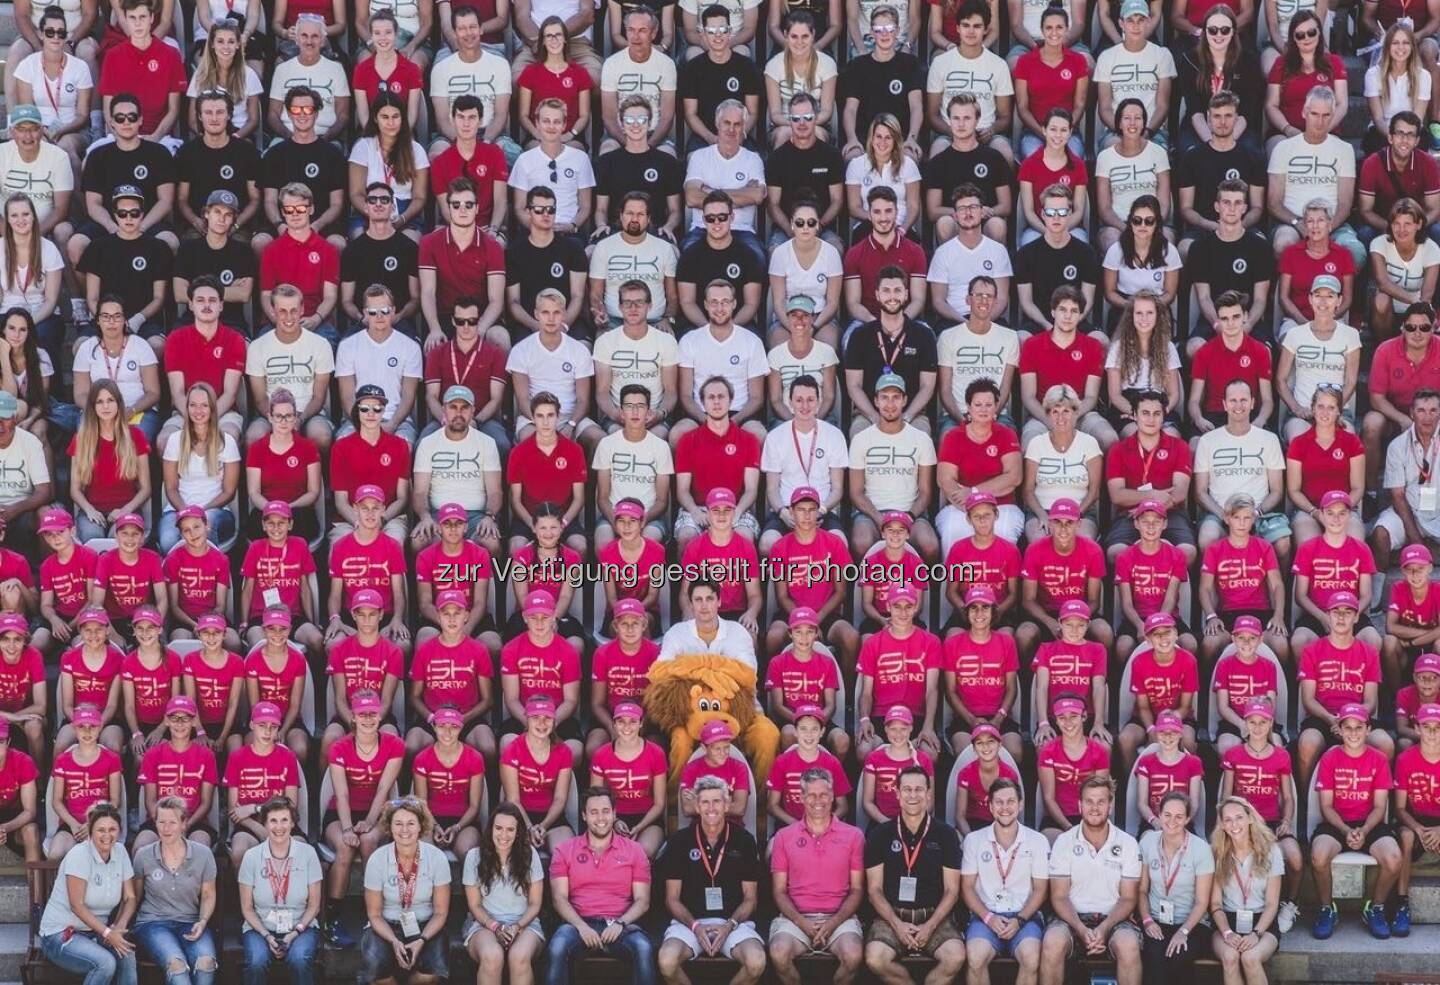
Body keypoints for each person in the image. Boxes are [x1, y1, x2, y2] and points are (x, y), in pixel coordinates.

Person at [656, 775, 766, 985]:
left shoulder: (744, 840)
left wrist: (729, 926)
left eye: (717, 801)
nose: (711, 807)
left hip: (733, 922)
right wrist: (695, 926)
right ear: (696, 806)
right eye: (705, 802)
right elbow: (672, 899)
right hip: (689, 922)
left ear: (727, 805)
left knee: (756, 961)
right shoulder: (680, 841)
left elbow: (750, 899)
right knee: (667, 961)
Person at [861, 766, 964, 985]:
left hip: (934, 917)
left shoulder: (946, 835)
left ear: (928, 794)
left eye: (919, 789)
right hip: (891, 917)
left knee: (955, 957)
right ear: (897, 793)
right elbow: (874, 890)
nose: (913, 795)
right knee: (875, 958)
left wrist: (930, 925)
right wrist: (897, 924)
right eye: (907, 789)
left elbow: (952, 890)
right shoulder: (879, 835)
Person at [1309, 704, 1404, 939]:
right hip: (1336, 822)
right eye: (1347, 727)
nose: (1353, 733)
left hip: (1369, 822)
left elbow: (1380, 806)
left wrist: (1363, 829)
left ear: (1368, 730)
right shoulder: (1329, 758)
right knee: (1318, 855)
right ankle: (1327, 908)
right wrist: (1345, 829)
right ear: (1339, 730)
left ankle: (1375, 907)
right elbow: (1326, 806)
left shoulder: (1379, 759)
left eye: (1358, 727)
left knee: (1393, 858)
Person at [546, 786, 654, 985]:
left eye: (605, 811)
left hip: (622, 924)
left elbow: (642, 901)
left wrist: (620, 924)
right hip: (577, 923)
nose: (601, 818)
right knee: (557, 946)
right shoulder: (564, 850)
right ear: (584, 816)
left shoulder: (635, 851)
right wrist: (581, 927)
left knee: (644, 947)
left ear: (614, 814)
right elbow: (558, 899)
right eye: (593, 812)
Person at [1040, 777, 1142, 985]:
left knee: (1128, 945)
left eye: (1101, 801)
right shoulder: (1064, 841)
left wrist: (1103, 928)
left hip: (1115, 919)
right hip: (1072, 918)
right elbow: (1059, 896)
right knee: (1052, 942)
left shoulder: (1128, 843)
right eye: (1089, 801)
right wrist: (1081, 928)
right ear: (1080, 805)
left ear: (1110, 806)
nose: (1095, 808)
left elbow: (1129, 897)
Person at [322, 691, 405, 946]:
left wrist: (369, 821)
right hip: (341, 812)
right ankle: (332, 919)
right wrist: (347, 828)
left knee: (369, 841)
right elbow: (342, 793)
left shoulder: (394, 745)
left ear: (380, 716)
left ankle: (375, 913)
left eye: (372, 713)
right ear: (354, 717)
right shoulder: (339, 747)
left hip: (377, 811)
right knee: (345, 847)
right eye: (362, 714)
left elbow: (384, 788)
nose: (368, 718)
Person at [769, 768, 865, 985]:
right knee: (778, 953)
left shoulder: (854, 836)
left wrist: (833, 922)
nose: (818, 801)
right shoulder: (784, 837)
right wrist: (801, 921)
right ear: (801, 798)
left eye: (823, 794)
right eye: (811, 795)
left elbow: (857, 889)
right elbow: (779, 891)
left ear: (832, 796)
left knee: (853, 955)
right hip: (796, 917)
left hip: (840, 918)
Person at [1217, 699, 1304, 933]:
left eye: (1262, 722)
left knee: (1294, 857)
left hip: (1272, 823)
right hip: (1241, 824)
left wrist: (1286, 821)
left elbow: (1288, 797)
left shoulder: (1281, 756)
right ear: (1245, 723)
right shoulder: (1233, 754)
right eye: (1252, 722)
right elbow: (1226, 796)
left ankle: (1290, 903)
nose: (1257, 727)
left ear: (1270, 723)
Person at [960, 777, 1048, 985]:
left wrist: (1020, 919)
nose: (1005, 808)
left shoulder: (1037, 841)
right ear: (990, 806)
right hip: (985, 917)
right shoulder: (974, 840)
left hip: (1025, 917)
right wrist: (989, 917)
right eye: (999, 802)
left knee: (1031, 957)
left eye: (1010, 801)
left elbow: (1040, 889)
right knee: (975, 956)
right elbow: (967, 888)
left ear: (1020, 804)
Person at [38, 801, 137, 985]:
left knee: (127, 955)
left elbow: (130, 897)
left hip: (97, 931)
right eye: (101, 830)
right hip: (61, 934)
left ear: (120, 830)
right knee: (105, 963)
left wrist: (119, 927)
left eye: (112, 829)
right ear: (91, 830)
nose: (107, 835)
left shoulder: (121, 852)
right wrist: (108, 933)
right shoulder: (79, 855)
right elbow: (77, 906)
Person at [1267, 87, 1363, 270]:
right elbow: (1273, 203)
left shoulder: (1344, 150)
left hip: (1333, 223)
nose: (1320, 122)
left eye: (1326, 115)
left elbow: (1345, 203)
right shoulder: (1283, 148)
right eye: (1314, 114)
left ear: (1333, 115)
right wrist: (1299, 224)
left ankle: (1340, 296)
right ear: (1304, 112)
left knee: (1355, 252)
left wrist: (1327, 227)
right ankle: (1287, 294)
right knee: (1284, 244)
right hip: (1293, 222)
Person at [360, 797, 452, 983]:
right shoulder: (377, 859)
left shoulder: (437, 858)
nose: (404, 830)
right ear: (390, 827)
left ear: (421, 826)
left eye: (411, 823)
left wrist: (422, 940)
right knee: (375, 967)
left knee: (432, 970)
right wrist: (394, 941)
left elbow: (441, 912)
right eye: (398, 824)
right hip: (386, 925)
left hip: (426, 926)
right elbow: (374, 914)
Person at [131, 796, 218, 985]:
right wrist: (121, 924)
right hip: (154, 923)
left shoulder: (203, 854)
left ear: (184, 823)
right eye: (161, 822)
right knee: (177, 967)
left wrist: (202, 922)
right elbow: (134, 897)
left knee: (206, 963)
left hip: (191, 921)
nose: (166, 828)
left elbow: (208, 895)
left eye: (172, 822)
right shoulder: (143, 856)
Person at [237, 796, 323, 985]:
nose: (279, 827)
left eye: (284, 820)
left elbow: (314, 905)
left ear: (292, 823)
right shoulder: (251, 857)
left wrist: (295, 933)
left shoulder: (308, 853)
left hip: (300, 926)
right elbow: (247, 908)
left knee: (299, 959)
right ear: (265, 825)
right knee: (257, 962)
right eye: (273, 821)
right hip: (260, 927)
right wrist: (267, 936)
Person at [410, 385, 503, 554]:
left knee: (492, 543)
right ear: (444, 409)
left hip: (474, 516)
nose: (458, 413)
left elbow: (495, 492)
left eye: (464, 407)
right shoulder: (428, 443)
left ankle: (489, 581)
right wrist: (425, 518)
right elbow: (419, 493)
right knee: (418, 542)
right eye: (453, 407)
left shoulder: (487, 442)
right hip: (438, 514)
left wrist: (490, 517)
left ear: (473, 410)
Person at [257, 87, 348, 256]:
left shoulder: (332, 155)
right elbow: (269, 201)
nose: (302, 114)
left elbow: (337, 204)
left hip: (321, 223)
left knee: (337, 244)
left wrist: (317, 226)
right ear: (289, 114)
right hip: (283, 221)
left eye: (308, 109)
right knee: (260, 242)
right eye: (296, 109)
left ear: (316, 113)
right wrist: (280, 225)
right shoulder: (274, 154)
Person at [461, 803, 546, 985]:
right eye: (498, 828)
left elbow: (535, 904)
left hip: (525, 923)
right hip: (484, 924)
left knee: (519, 956)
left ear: (518, 832)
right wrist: (495, 927)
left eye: (510, 829)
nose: (503, 835)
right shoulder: (474, 857)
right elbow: (474, 905)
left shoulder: (530, 855)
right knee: (492, 956)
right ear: (490, 828)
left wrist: (517, 926)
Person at [158, 277, 247, 451]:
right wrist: (195, 419)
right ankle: (174, 479)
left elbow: (230, 393)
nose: (207, 305)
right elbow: (177, 393)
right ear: (190, 305)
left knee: (228, 438)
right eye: (200, 300)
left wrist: (207, 419)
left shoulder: (235, 339)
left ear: (221, 305)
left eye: (212, 300)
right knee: (165, 441)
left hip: (224, 413)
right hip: (184, 412)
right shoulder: (175, 339)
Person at [1136, 792, 1214, 985]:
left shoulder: (1201, 849)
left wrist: (1183, 931)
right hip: (1156, 920)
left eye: (1179, 816)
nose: (1172, 821)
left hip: (1192, 924)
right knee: (1153, 956)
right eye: (1167, 815)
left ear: (1187, 819)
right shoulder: (1147, 842)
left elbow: (1202, 901)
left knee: (1180, 956)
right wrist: (1147, 921)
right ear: (1159, 815)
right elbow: (1142, 890)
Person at [1208, 797, 1283, 985]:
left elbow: (1272, 904)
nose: (1234, 824)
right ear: (1222, 825)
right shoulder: (1216, 853)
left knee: (1250, 958)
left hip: (1262, 923)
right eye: (1228, 819)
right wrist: (1227, 933)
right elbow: (1215, 904)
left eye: (1239, 817)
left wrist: (1256, 934)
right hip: (1227, 921)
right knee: (1230, 956)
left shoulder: (1271, 850)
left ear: (1250, 818)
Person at [221, 702, 302, 871]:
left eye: (273, 727)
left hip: (283, 822)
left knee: (301, 849)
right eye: (262, 725)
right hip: (248, 824)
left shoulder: (287, 757)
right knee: (239, 851)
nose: (267, 731)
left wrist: (255, 807)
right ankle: (245, 897)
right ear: (251, 725)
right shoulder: (237, 757)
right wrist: (258, 828)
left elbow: (291, 805)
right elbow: (233, 809)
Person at [336, 286, 422, 446]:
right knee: (343, 444)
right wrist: (363, 425)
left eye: (385, 310)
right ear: (365, 313)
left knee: (405, 446)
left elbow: (408, 397)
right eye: (373, 312)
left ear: (394, 311)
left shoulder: (410, 347)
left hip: (396, 420)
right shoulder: (347, 346)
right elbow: (347, 396)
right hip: (357, 419)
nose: (379, 316)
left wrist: (392, 425)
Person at [67, 381, 151, 544]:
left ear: (119, 403)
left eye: (110, 400)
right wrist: (90, 511)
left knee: (120, 539)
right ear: (93, 407)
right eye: (100, 401)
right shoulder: (81, 439)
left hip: (127, 509)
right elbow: (75, 490)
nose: (106, 406)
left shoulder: (135, 436)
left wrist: (125, 510)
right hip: (92, 510)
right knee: (93, 538)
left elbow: (146, 488)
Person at [682, 101, 767, 264]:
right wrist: (741, 192)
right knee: (688, 258)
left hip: (741, 230)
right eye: (726, 123)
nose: (731, 129)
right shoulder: (699, 157)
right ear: (717, 123)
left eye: (737, 124)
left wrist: (708, 192)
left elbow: (756, 196)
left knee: (758, 259)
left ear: (743, 127)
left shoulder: (753, 159)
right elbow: (692, 198)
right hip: (703, 228)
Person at [257, 183, 341, 346]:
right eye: (289, 210)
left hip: (315, 321)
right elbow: (266, 295)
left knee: (329, 344)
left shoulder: (327, 250)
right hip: (279, 321)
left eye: (301, 208)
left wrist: (316, 319)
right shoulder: (271, 250)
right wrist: (279, 321)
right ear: (283, 212)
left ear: (311, 209)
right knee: (261, 346)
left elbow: (330, 296)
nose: (295, 214)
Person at [341, 186, 421, 334]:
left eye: (384, 200)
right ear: (365, 207)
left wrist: (397, 317)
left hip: (398, 323)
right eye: (372, 200)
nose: (378, 204)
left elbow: (415, 298)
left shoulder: (409, 248)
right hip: (364, 323)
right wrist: (361, 318)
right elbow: (346, 301)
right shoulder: (352, 251)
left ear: (393, 206)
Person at [1094, 0, 1174, 147]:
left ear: (1149, 21)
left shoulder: (1162, 55)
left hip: (1153, 131)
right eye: (1130, 20)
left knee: (1155, 152)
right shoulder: (1106, 57)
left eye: (1141, 20)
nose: (1136, 26)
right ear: (1121, 23)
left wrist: (1147, 132)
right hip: (1116, 131)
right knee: (1114, 147)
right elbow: (1104, 108)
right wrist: (1123, 132)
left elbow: (1162, 105)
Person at [266, 16, 351, 144]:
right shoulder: (282, 70)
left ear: (323, 40)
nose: (309, 41)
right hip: (287, 138)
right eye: (304, 36)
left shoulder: (336, 69)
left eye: (315, 36)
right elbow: (273, 115)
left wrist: (324, 140)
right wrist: (291, 137)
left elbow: (343, 116)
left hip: (325, 139)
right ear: (297, 40)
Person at [515, 17, 594, 151]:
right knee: (536, 150)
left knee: (574, 151)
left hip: (570, 138)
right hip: (538, 137)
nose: (554, 39)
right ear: (543, 41)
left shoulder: (580, 73)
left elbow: (584, 115)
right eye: (549, 36)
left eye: (558, 35)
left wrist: (570, 135)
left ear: (565, 39)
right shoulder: (530, 72)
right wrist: (537, 135)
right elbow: (523, 115)